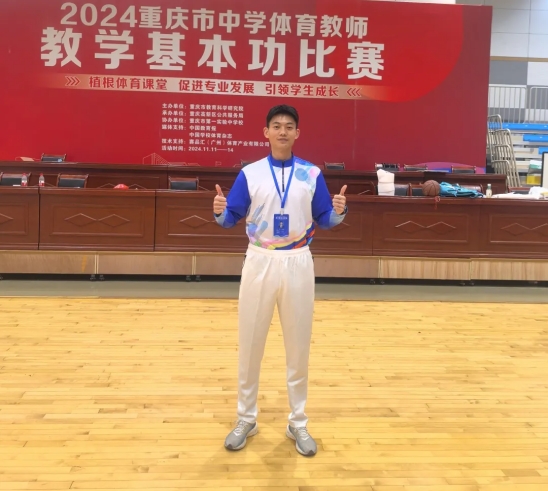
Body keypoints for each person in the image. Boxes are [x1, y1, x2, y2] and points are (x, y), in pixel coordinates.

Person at [213, 104, 347, 457]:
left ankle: (298, 422)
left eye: (289, 126)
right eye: (276, 125)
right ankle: (246, 418)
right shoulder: (250, 173)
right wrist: (219, 212)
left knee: (298, 346)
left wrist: (339, 212)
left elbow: (325, 218)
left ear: (297, 133)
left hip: (298, 261)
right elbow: (231, 218)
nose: (283, 131)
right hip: (260, 259)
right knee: (250, 343)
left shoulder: (311, 174)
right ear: (266, 132)